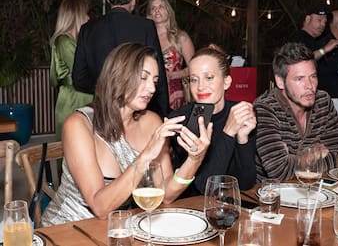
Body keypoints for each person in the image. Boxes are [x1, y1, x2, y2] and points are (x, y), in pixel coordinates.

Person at [41, 43, 212, 226]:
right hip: (67, 229)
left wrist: (194, 159)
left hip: (118, 228)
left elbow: (167, 195)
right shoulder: (79, 125)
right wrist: (146, 155)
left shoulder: (151, 122)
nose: (152, 89)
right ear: (118, 76)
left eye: (154, 81)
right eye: (143, 78)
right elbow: (100, 207)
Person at [72, 0, 169, 118]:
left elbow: (78, 78)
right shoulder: (145, 27)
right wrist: (163, 114)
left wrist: (107, 88)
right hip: (138, 113)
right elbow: (158, 76)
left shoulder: (88, 29)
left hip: (104, 110)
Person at [169, 44, 257, 197]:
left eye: (209, 78)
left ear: (227, 82)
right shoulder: (181, 121)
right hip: (190, 209)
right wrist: (228, 132)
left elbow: (246, 182)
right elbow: (204, 188)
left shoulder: (238, 113)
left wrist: (243, 139)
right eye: (194, 80)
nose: (200, 87)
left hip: (228, 207)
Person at [254, 42, 338, 181]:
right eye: (299, 79)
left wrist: (294, 159)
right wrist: (310, 155)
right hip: (273, 196)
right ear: (280, 81)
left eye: (313, 77)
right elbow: (279, 171)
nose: (309, 86)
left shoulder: (323, 101)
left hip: (315, 190)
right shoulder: (265, 108)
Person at [49, 0, 93, 141]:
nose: (89, 17)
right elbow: (82, 70)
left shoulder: (75, 41)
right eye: (85, 13)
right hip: (73, 98)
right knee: (72, 146)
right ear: (77, 15)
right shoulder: (64, 40)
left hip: (81, 96)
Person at [147, 0, 195, 110]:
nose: (157, 10)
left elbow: (194, 68)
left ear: (168, 12)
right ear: (150, 14)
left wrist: (173, 75)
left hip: (175, 95)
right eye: (153, 8)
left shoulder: (181, 37)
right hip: (150, 94)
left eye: (161, 7)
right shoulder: (146, 38)